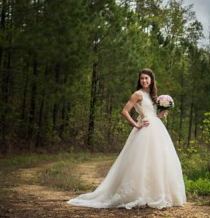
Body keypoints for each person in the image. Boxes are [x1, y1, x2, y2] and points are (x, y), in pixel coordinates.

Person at [67, 68, 186, 209]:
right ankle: (138, 194)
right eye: (142, 78)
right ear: (139, 80)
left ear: (152, 80)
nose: (144, 81)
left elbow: (152, 114)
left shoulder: (154, 96)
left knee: (157, 161)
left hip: (157, 130)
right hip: (145, 131)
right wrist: (136, 124)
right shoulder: (138, 94)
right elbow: (124, 111)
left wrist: (161, 114)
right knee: (140, 162)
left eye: (147, 78)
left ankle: (156, 194)